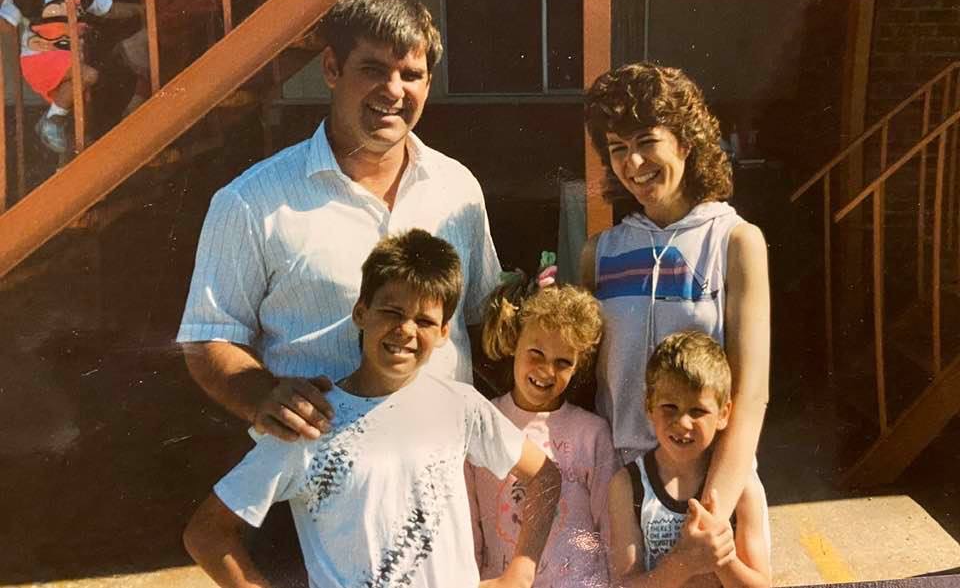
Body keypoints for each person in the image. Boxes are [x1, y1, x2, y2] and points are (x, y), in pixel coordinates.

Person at [177, 0, 501, 442]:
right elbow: (209, 337)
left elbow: (481, 319)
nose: (394, 90)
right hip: (315, 469)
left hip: (443, 464)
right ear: (332, 68)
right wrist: (260, 396)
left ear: (428, 84)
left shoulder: (457, 188)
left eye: (411, 74)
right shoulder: (251, 200)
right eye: (373, 69)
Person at [183, 229, 561, 588]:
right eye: (392, 312)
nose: (406, 330)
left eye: (424, 321)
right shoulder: (311, 422)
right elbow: (206, 534)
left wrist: (520, 573)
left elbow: (544, 475)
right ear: (361, 312)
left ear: (444, 332)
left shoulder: (460, 406)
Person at [580, 62, 770, 524]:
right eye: (618, 148)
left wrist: (712, 514)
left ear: (686, 142)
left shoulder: (735, 241)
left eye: (647, 142)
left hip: (711, 490)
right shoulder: (599, 254)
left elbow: (750, 395)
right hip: (622, 489)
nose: (633, 163)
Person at [467, 277, 616, 587]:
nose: (547, 371)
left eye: (563, 362)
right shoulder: (482, 422)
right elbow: (469, 534)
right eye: (536, 353)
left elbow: (611, 532)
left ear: (578, 365)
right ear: (514, 342)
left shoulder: (592, 434)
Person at [607, 331, 771, 587]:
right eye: (669, 407)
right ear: (649, 405)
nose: (683, 422)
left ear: (723, 414)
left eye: (698, 411)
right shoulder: (628, 485)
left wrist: (722, 559)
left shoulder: (742, 486)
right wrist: (685, 562)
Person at [0, 0, 143, 153]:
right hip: (39, 60)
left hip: (68, 61)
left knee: (80, 99)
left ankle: (69, 137)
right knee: (89, 75)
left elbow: (109, 9)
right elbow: (6, 22)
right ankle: (50, 122)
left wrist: (140, 9)